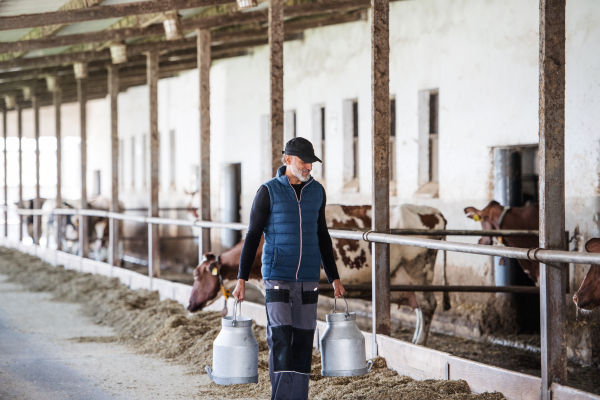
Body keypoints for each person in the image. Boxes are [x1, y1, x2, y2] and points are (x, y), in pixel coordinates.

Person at [232, 137, 345, 400]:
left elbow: (322, 234)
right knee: (282, 340)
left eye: (311, 163)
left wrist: (334, 276)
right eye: (304, 162)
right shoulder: (268, 191)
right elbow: (252, 236)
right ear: (288, 160)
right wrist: (240, 278)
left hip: (308, 278)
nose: (309, 167)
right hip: (277, 278)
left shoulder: (317, 191)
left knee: (304, 342)